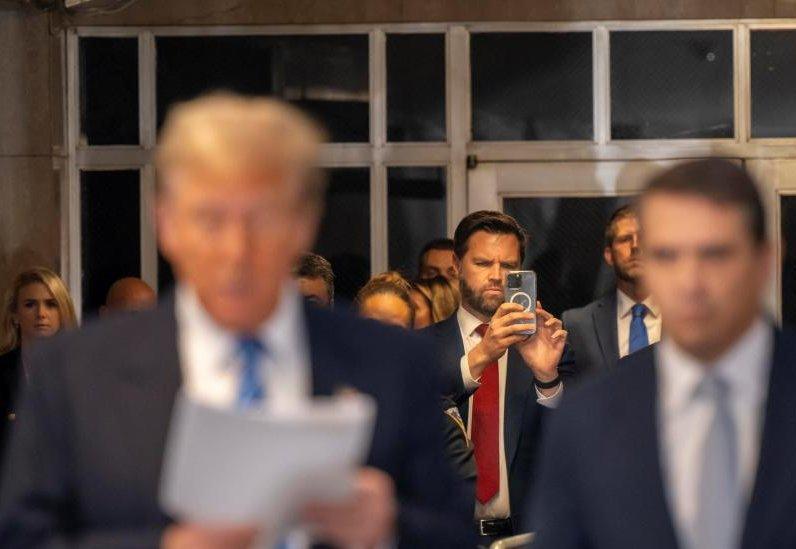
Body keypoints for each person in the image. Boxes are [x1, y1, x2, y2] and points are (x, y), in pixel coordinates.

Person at [0, 93, 472, 548]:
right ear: (165, 222)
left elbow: (454, 533)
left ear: (304, 223)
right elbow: (24, 537)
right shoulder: (79, 371)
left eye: (263, 219)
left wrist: (390, 527)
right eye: (209, 219)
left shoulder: (390, 362)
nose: (236, 249)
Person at [530, 159, 796, 549]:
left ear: (765, 259)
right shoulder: (589, 419)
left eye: (715, 253)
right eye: (666, 255)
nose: (690, 280)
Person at [424, 211, 571, 542]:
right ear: (457, 265)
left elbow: (572, 447)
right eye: (482, 263)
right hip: (443, 536)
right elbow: (417, 416)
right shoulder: (421, 347)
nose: (496, 275)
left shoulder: (546, 346)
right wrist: (479, 358)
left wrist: (547, 379)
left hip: (525, 537)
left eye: (507, 266)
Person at [563, 204, 661, 377]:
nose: (635, 246)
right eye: (625, 239)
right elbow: (570, 396)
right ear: (609, 255)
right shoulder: (578, 325)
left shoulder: (689, 317)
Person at [0, 267, 77, 462]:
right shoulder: (3, 371)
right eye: (30, 304)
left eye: (51, 304)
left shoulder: (85, 373)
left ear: (63, 312)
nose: (41, 313)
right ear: (15, 315)